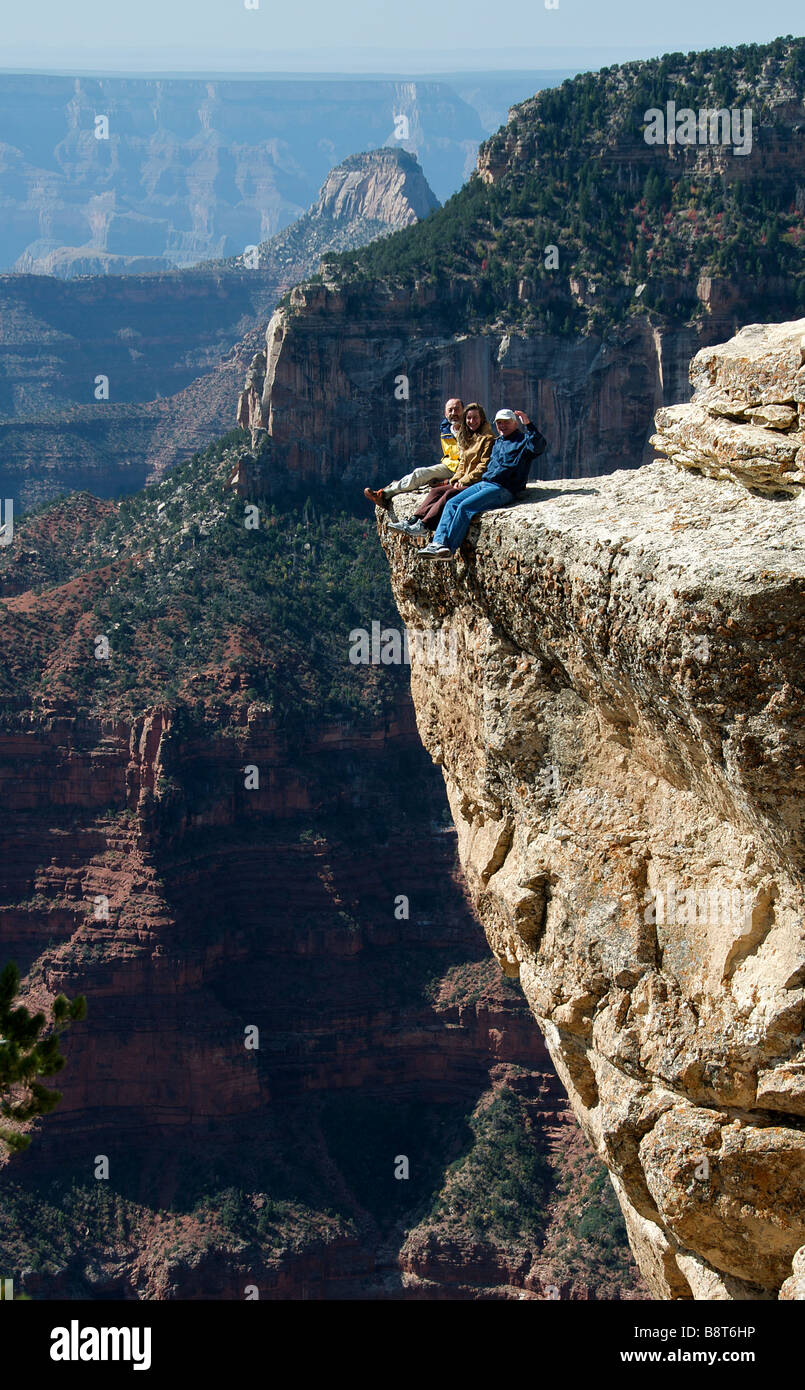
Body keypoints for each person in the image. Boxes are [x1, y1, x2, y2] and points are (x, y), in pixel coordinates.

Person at [418, 409, 547, 560]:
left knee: (465, 507)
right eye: (499, 423)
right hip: (485, 483)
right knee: (452, 503)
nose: (502, 425)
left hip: (503, 488)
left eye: (506, 422)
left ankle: (449, 549)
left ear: (514, 423)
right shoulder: (498, 442)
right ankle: (438, 543)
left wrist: (529, 424)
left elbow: (539, 446)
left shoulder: (523, 441)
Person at [389, 402, 496, 537]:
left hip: (476, 483)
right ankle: (413, 520)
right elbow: (462, 463)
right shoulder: (468, 437)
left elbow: (483, 466)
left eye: (475, 418)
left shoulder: (488, 439)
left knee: (449, 495)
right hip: (464, 479)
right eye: (469, 418)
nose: (472, 421)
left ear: (482, 419)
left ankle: (424, 525)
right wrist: (456, 479)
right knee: (435, 491)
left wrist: (464, 480)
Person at [364, 398, 463, 506]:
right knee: (419, 473)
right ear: (445, 413)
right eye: (450, 410)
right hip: (450, 467)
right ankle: (384, 495)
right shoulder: (446, 429)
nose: (453, 413)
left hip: (466, 469)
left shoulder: (471, 428)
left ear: (464, 410)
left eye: (457, 409)